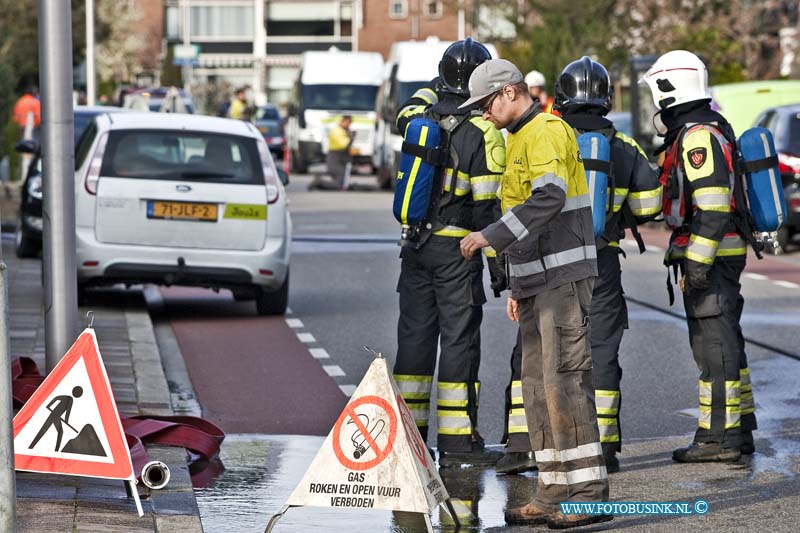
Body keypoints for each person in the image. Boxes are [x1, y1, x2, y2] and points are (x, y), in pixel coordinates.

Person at [459, 58, 611, 529]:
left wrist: (491, 237)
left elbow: (548, 198)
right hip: (537, 284)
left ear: (508, 92)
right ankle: (551, 492)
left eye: (485, 104)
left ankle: (586, 495)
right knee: (537, 392)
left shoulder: (545, 130)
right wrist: (516, 284)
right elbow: (532, 218)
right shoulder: (520, 137)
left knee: (564, 384)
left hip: (562, 282)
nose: (483, 114)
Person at [392, 38, 506, 468]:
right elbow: (488, 208)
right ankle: (458, 441)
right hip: (458, 250)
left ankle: (409, 435)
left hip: (415, 245)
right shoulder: (483, 133)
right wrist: (498, 265)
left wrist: (434, 86)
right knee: (458, 339)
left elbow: (406, 105)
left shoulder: (418, 119)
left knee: (415, 340)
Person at [641, 50, 756, 463]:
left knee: (714, 350)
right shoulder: (703, 130)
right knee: (726, 344)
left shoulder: (697, 138)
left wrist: (698, 264)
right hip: (719, 254)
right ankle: (738, 428)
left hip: (713, 257)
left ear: (670, 87)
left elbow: (711, 207)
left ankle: (717, 439)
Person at [551, 56, 663, 472]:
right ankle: (605, 446)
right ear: (606, 99)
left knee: (548, 349)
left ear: (561, 97)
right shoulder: (624, 146)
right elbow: (650, 205)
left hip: (554, 262)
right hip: (601, 262)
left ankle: (542, 443)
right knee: (601, 351)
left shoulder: (549, 138)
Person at [308, 115, 355, 191]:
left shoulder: (343, 131)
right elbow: (343, 145)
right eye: (347, 122)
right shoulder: (336, 131)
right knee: (340, 185)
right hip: (335, 160)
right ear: (342, 121)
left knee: (341, 182)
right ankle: (319, 182)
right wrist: (350, 138)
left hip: (340, 160)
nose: (349, 125)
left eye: (350, 123)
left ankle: (320, 183)